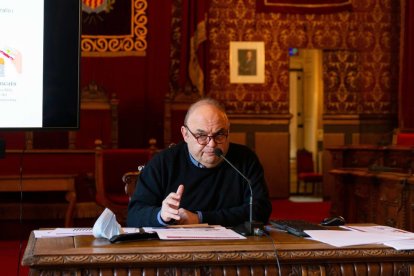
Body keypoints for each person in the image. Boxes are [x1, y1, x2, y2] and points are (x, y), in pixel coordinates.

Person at [127, 98, 272, 228]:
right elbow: (134, 216)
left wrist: (200, 218)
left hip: (232, 248)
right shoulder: (164, 163)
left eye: (219, 134)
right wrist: (161, 215)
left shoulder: (245, 159)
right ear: (185, 134)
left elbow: (260, 210)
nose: (212, 144)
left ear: (228, 131)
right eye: (201, 136)